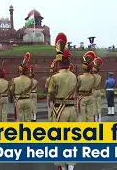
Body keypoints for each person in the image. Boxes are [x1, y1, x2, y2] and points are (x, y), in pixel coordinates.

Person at [48, 33, 77, 170]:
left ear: (59, 62)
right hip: (72, 109)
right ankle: (71, 166)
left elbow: (51, 94)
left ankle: (62, 166)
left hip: (60, 110)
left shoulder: (55, 77)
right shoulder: (74, 77)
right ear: (69, 63)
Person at [10, 52, 33, 122]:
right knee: (28, 119)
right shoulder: (30, 80)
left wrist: (14, 97)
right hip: (28, 100)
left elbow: (11, 90)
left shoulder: (15, 80)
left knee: (20, 119)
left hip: (19, 100)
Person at [76, 51, 96, 122]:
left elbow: (77, 87)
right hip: (90, 96)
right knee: (90, 115)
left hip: (82, 97)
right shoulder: (93, 77)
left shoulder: (80, 77)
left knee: (82, 115)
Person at [92, 57, 104, 122]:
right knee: (99, 104)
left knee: (94, 105)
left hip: (94, 90)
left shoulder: (92, 76)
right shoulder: (100, 76)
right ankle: (100, 118)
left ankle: (95, 118)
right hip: (99, 90)